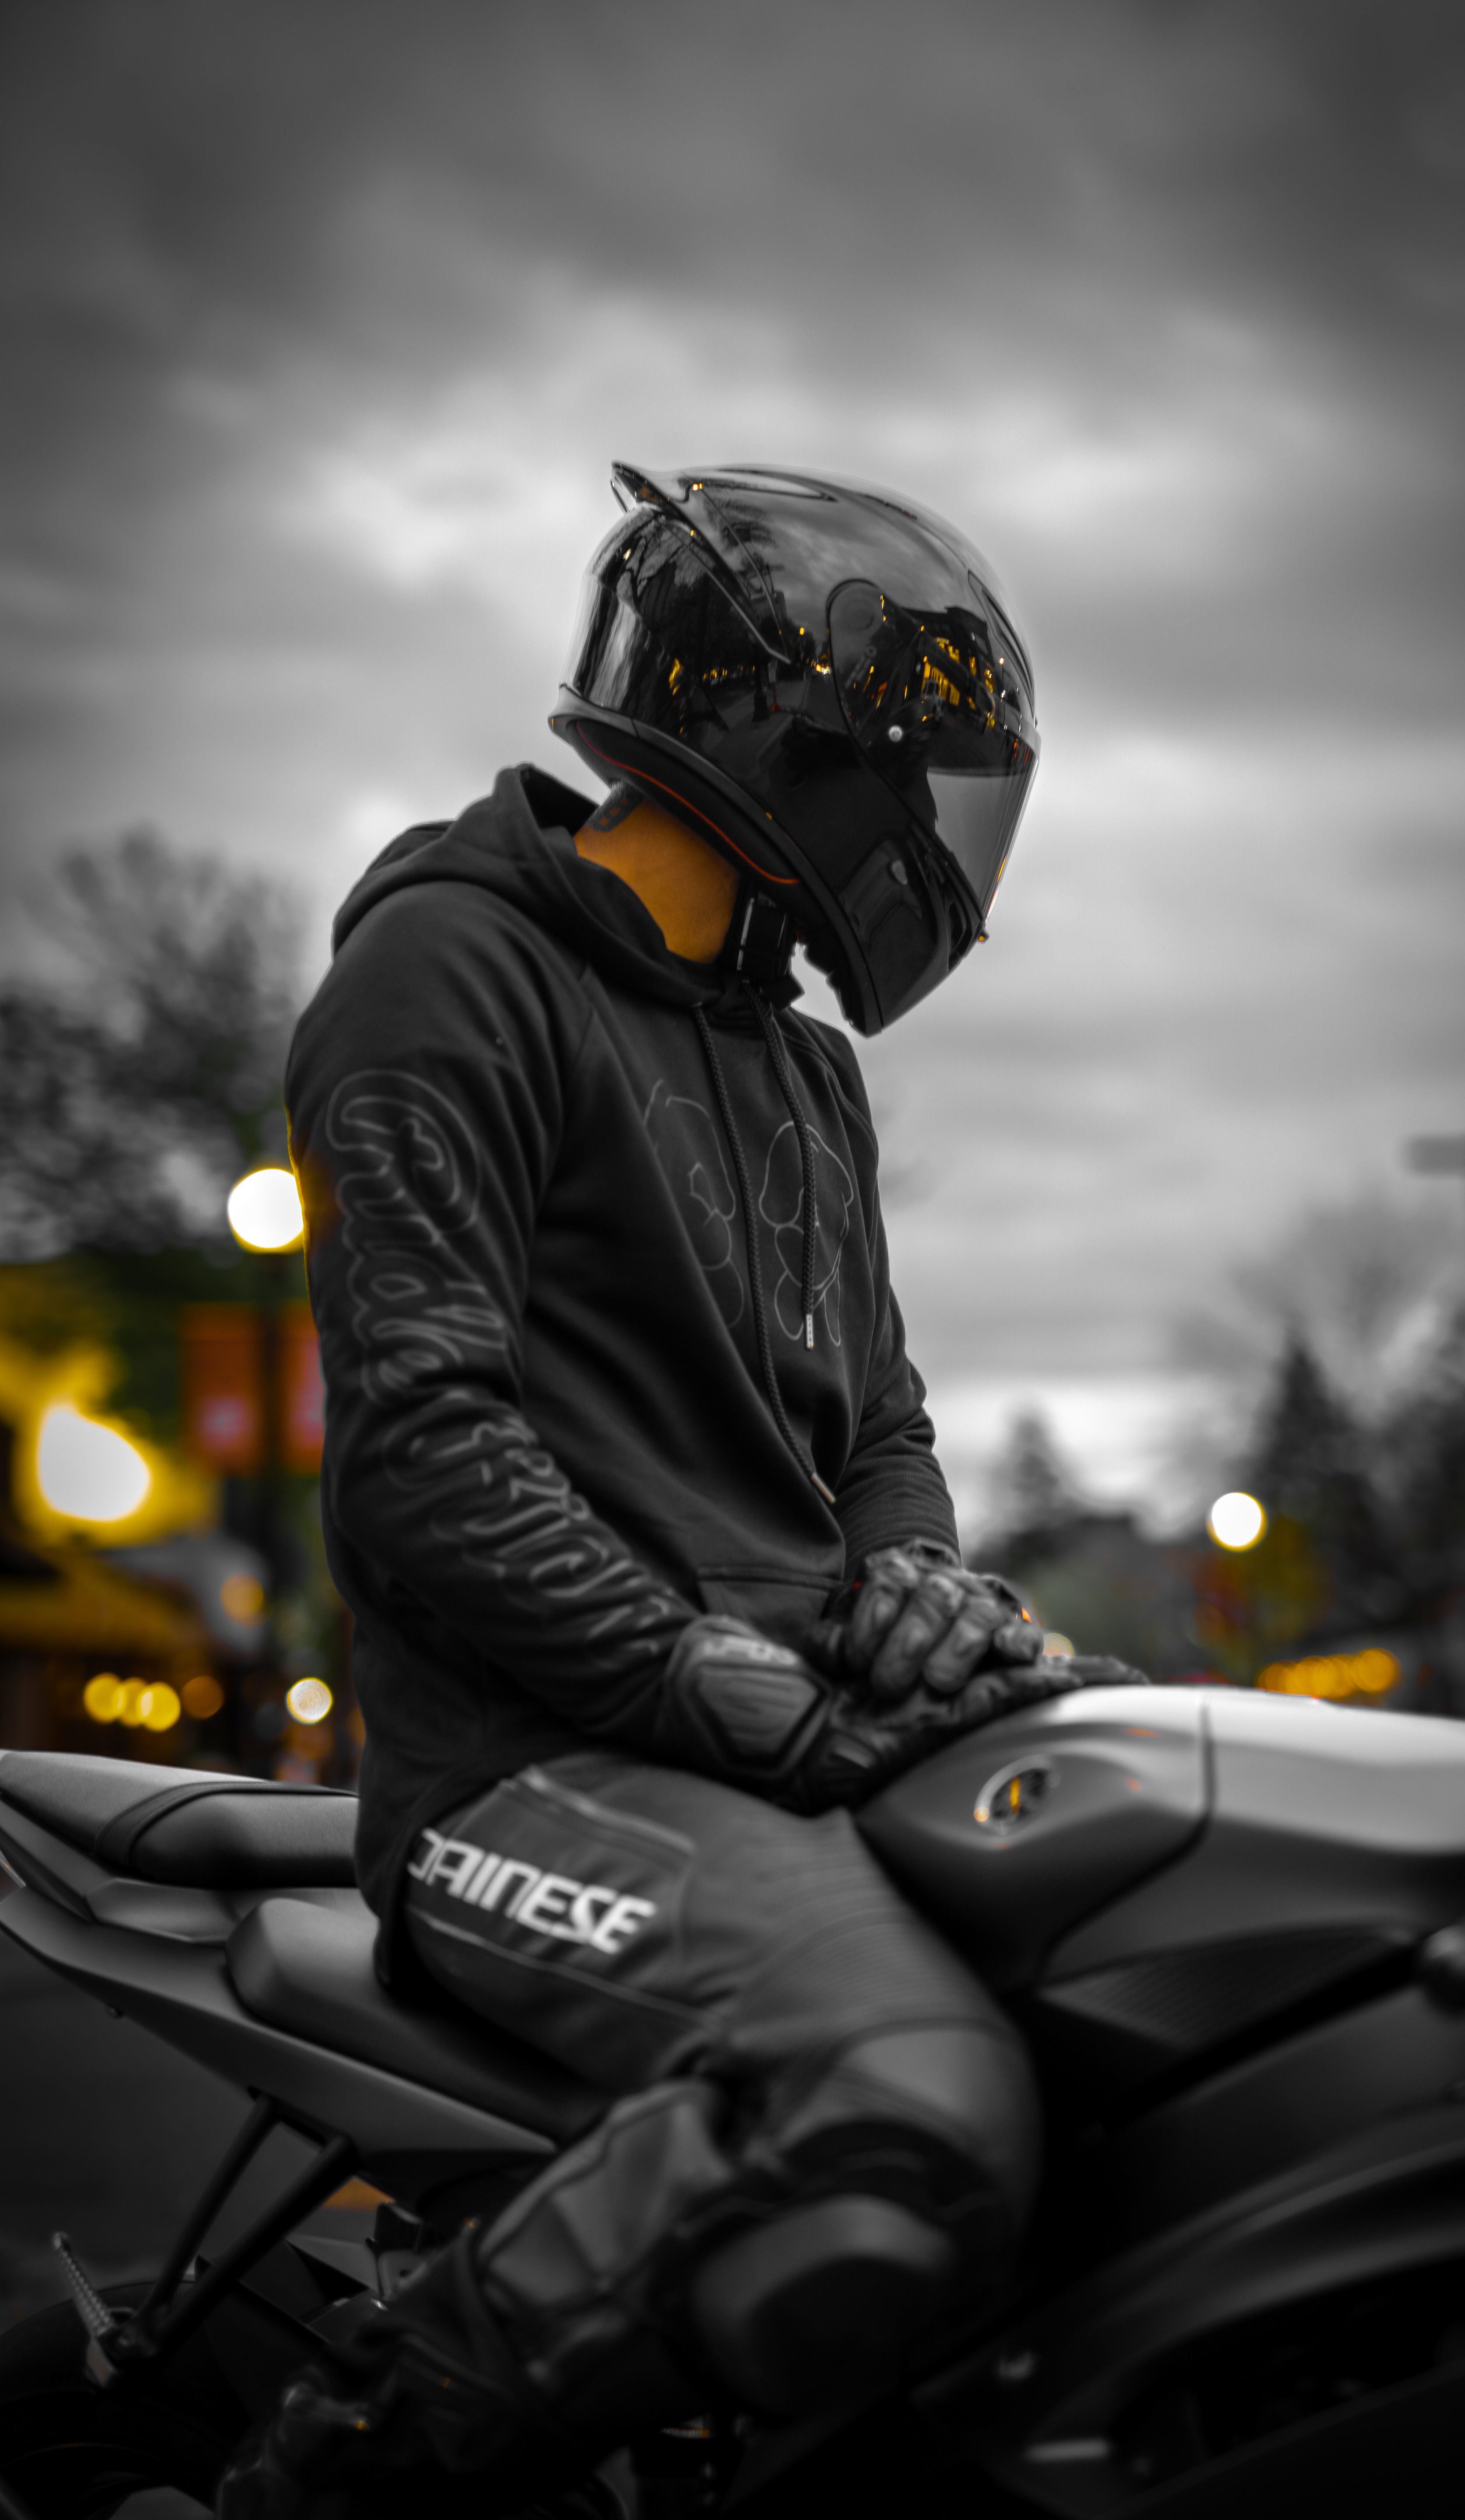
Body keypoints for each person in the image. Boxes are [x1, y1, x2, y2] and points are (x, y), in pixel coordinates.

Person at [221, 465, 1073, 2517]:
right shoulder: (449, 969)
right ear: (802, 739)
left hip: (794, 1732)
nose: (943, 851)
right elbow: (423, 1454)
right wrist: (731, 1691)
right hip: (528, 1773)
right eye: (931, 783)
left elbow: (875, 1425)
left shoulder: (804, 1070)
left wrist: (919, 1588)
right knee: (913, 2099)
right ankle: (331, 2482)